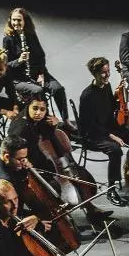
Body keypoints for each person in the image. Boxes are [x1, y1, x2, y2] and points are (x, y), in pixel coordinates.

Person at [9, 92, 113, 230]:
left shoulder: (41, 122)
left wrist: (54, 125)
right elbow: (15, 153)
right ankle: (60, 221)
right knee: (55, 189)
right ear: (28, 106)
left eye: (42, 109)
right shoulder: (20, 127)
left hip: (48, 165)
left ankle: (90, 208)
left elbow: (51, 139)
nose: (38, 113)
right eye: (35, 108)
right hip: (32, 170)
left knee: (74, 175)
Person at [76, 57, 129, 200]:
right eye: (103, 72)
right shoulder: (87, 96)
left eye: (108, 71)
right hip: (92, 135)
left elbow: (111, 107)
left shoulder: (107, 86)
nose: (108, 75)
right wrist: (112, 136)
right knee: (115, 150)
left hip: (108, 128)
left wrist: (120, 96)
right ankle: (111, 189)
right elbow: (89, 125)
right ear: (95, 73)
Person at [1, 7, 68, 119]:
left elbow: (41, 55)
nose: (16, 23)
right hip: (19, 78)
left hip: (37, 73)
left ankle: (65, 120)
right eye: (13, 20)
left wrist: (41, 74)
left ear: (25, 21)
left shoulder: (30, 34)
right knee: (38, 91)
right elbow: (6, 65)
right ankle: (44, 119)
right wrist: (19, 61)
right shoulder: (8, 39)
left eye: (19, 20)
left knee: (58, 89)